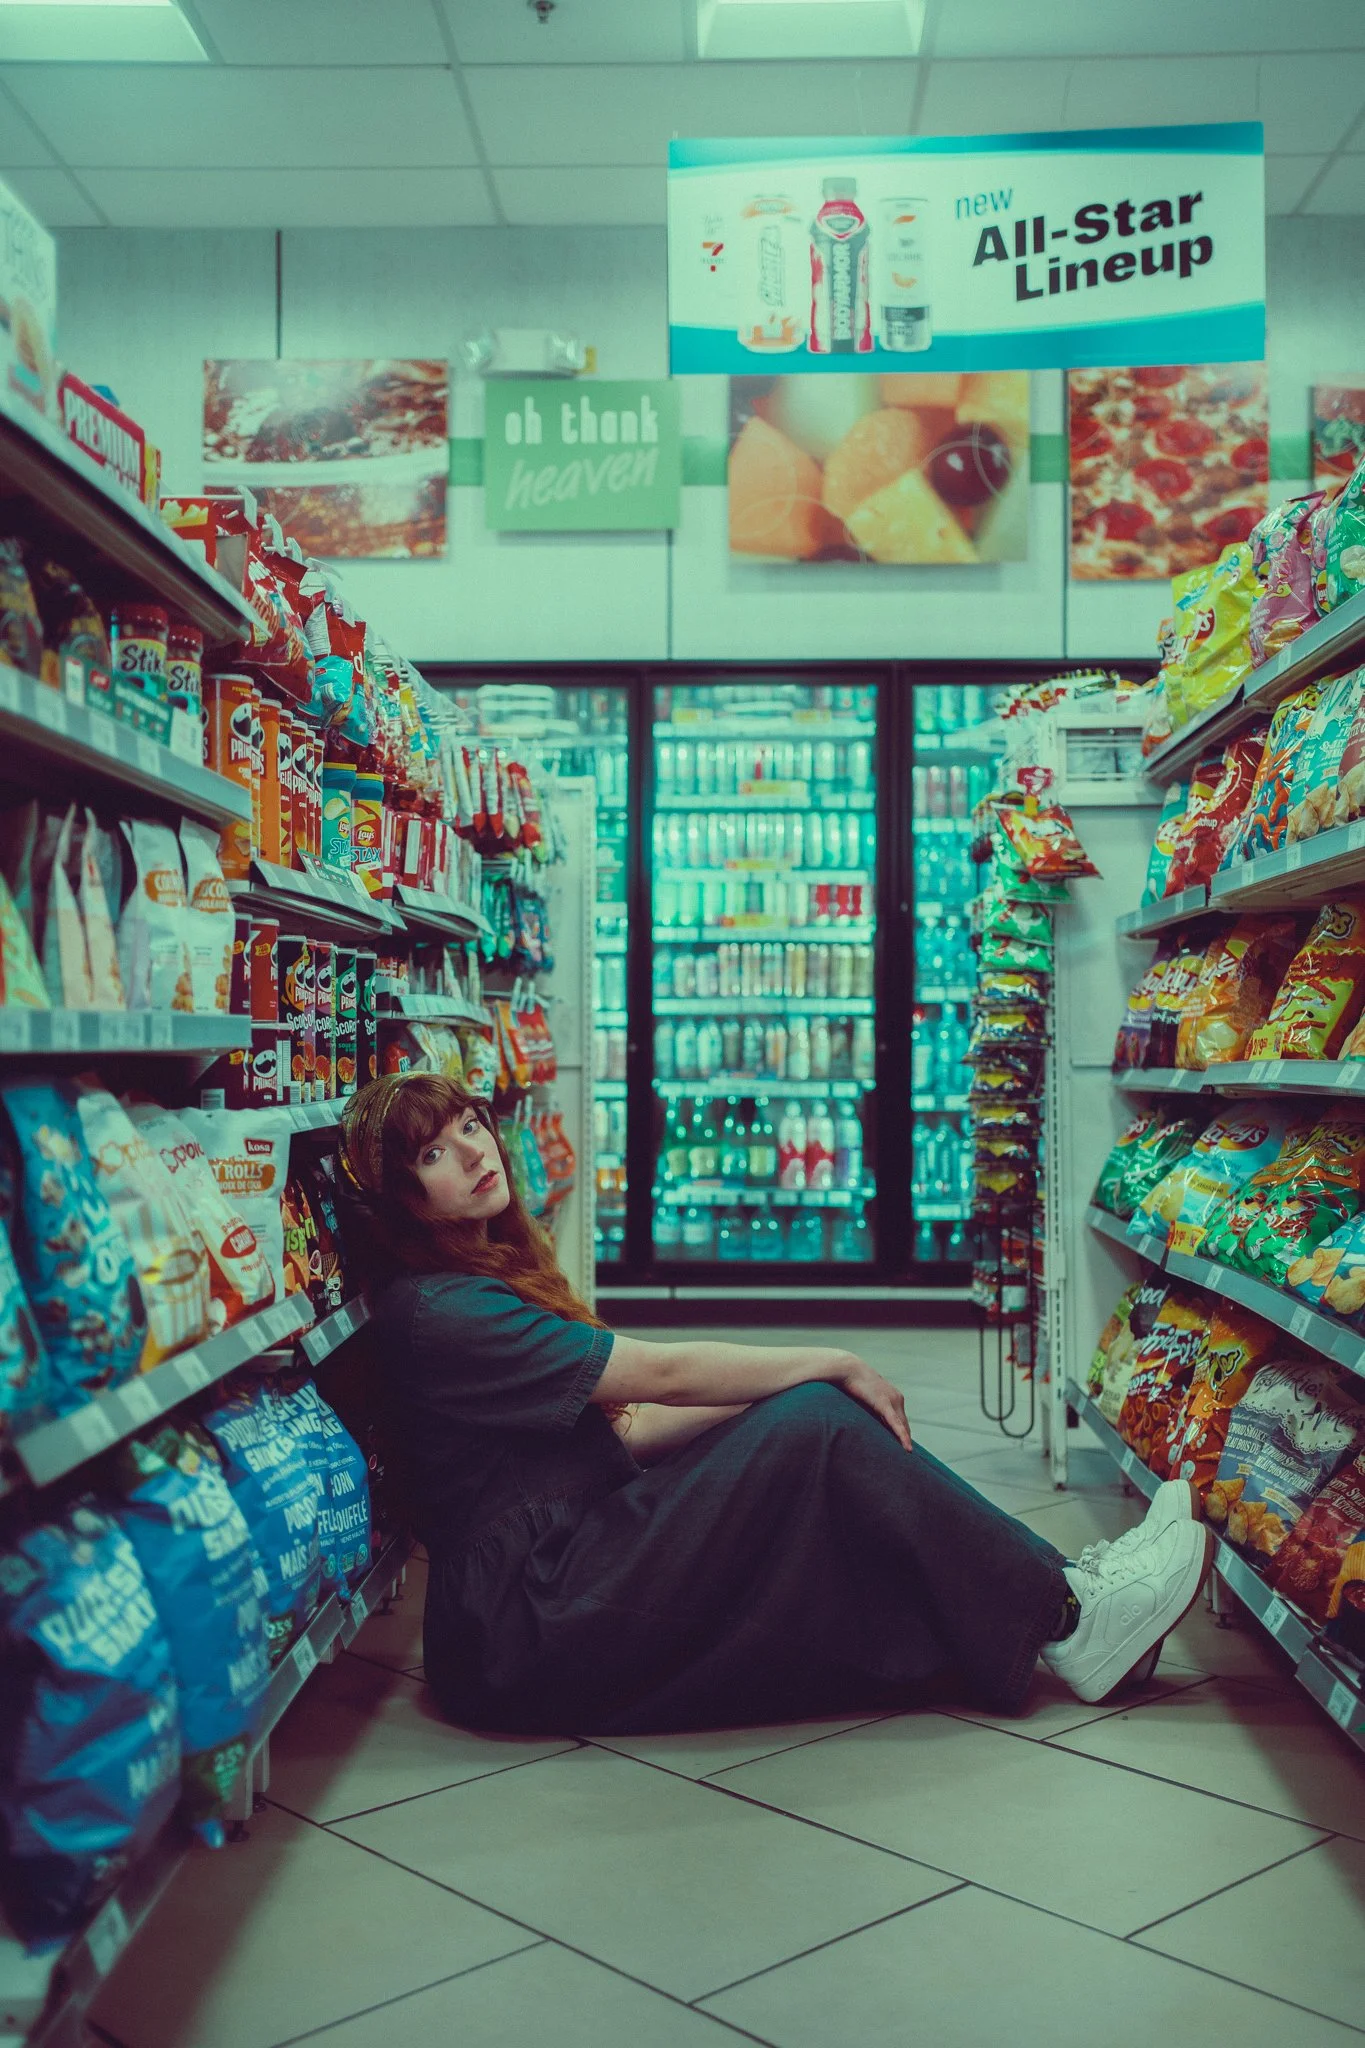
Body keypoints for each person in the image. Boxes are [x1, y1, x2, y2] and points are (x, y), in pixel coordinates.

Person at [336, 1072, 1212, 1737]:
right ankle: (1072, 1615)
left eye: (469, 1124)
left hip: (565, 1562)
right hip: (526, 1623)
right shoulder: (445, 1312)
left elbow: (631, 1430)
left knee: (804, 1422)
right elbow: (661, 1379)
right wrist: (825, 1359)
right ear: (399, 1199)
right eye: (433, 1153)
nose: (475, 1150)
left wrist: (793, 1389)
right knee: (814, 1420)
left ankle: (1056, 1602)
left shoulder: (475, 1280)